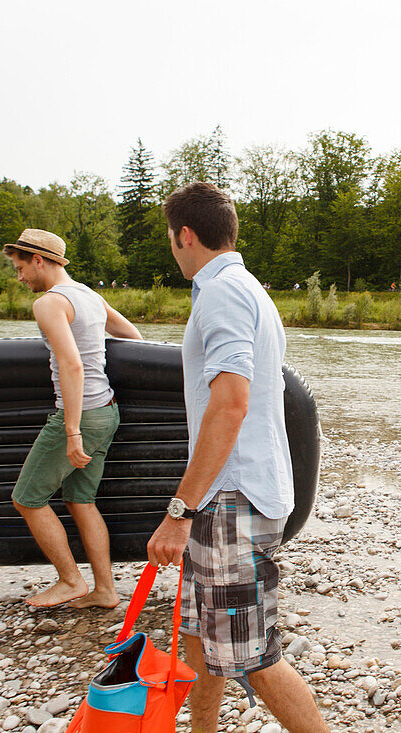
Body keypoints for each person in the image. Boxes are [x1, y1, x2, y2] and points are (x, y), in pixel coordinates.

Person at [146, 183, 329, 733]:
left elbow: (230, 404)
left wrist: (179, 511)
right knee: (203, 634)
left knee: (253, 655)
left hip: (232, 500)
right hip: (235, 496)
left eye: (170, 240)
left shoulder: (223, 292)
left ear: (185, 235)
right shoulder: (244, 288)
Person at [3, 228, 143, 608]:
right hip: (107, 411)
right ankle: (105, 591)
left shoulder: (50, 303)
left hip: (81, 416)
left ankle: (70, 581)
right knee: (82, 501)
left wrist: (71, 432)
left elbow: (71, 364)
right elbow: (132, 335)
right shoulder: (88, 295)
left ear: (38, 259)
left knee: (27, 499)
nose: (19, 277)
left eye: (20, 268)